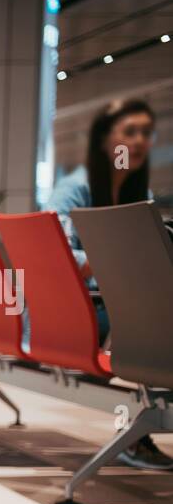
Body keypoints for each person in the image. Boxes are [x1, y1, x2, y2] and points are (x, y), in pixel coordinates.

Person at [47, 97, 170, 470]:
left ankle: (139, 429)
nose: (139, 142)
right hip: (83, 311)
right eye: (129, 132)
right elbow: (55, 257)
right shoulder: (74, 190)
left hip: (123, 307)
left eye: (146, 133)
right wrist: (116, 268)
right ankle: (138, 431)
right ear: (104, 140)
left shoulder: (140, 197)